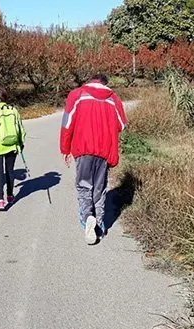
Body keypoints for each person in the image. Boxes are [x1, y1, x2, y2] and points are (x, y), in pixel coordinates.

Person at [60, 74, 128, 245]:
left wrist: (65, 148)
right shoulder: (113, 99)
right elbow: (121, 124)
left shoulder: (77, 95)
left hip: (83, 149)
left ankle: (87, 218)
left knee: (84, 186)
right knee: (100, 188)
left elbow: (67, 124)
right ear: (105, 84)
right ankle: (99, 222)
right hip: (104, 150)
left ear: (90, 80)